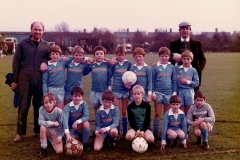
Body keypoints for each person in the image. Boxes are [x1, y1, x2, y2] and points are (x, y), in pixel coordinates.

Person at [11, 21, 50, 142]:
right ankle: (20, 133)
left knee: (39, 107)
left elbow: (54, 59)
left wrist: (46, 62)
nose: (37, 32)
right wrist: (15, 80)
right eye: (35, 29)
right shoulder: (22, 44)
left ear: (43, 31)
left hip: (40, 79)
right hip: (24, 78)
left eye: (40, 30)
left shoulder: (47, 45)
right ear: (31, 30)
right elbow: (16, 62)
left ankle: (38, 131)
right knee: (23, 106)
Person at [170, 21, 206, 92]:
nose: (185, 30)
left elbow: (203, 59)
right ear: (179, 31)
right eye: (183, 29)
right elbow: (168, 57)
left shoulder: (197, 44)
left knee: (193, 99)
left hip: (192, 77)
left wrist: (197, 70)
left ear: (190, 30)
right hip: (178, 76)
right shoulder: (173, 44)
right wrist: (173, 58)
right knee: (177, 100)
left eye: (187, 28)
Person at [152, 47, 177, 138]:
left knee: (167, 115)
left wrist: (174, 93)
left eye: (166, 56)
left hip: (168, 94)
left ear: (169, 57)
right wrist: (153, 93)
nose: (164, 58)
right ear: (159, 56)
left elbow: (174, 80)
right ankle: (155, 132)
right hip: (158, 93)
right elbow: (152, 81)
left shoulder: (172, 67)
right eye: (162, 56)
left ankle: (165, 132)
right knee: (157, 113)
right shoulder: (155, 67)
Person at [108, 45, 132, 138]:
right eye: (119, 55)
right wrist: (109, 89)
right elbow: (109, 76)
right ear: (116, 55)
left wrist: (129, 85)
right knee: (117, 112)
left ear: (125, 55)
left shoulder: (128, 63)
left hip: (125, 91)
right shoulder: (114, 64)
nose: (121, 57)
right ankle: (117, 132)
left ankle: (125, 132)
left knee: (124, 112)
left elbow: (131, 76)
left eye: (123, 55)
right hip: (116, 90)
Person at [42, 45, 71, 109]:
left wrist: (85, 59)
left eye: (57, 54)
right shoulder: (47, 66)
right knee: (51, 109)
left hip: (60, 89)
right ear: (50, 55)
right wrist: (45, 94)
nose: (55, 56)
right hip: (50, 89)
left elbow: (73, 58)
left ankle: (59, 119)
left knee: (60, 110)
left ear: (60, 55)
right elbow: (44, 81)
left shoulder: (62, 63)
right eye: (53, 54)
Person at [84, 46, 111, 114]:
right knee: (96, 110)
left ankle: (105, 123)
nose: (99, 55)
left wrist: (109, 60)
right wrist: (87, 60)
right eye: (97, 54)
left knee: (104, 109)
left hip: (104, 91)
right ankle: (97, 123)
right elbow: (84, 73)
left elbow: (113, 65)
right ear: (94, 55)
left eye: (101, 54)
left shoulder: (107, 64)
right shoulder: (92, 65)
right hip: (94, 91)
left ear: (104, 55)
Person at [62, 86, 90, 150]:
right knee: (70, 146)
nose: (77, 98)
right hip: (71, 129)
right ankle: (73, 137)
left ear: (82, 97)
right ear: (71, 97)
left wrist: (77, 121)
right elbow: (65, 120)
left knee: (86, 123)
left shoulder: (84, 104)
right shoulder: (67, 107)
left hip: (79, 126)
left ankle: (85, 143)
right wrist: (67, 134)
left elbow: (86, 116)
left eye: (79, 96)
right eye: (75, 96)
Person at [38, 93, 64, 158]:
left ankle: (51, 141)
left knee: (59, 151)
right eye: (46, 103)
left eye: (50, 102)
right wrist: (51, 123)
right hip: (48, 131)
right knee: (42, 128)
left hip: (56, 133)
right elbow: (40, 122)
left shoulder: (59, 111)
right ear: (43, 103)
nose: (48, 105)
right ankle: (44, 149)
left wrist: (60, 136)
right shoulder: (41, 109)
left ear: (54, 103)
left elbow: (62, 125)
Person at [176, 50, 199, 115]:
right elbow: (168, 66)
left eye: (188, 59)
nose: (186, 61)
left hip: (189, 92)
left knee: (188, 114)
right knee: (181, 113)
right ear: (182, 59)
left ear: (191, 60)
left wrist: (187, 82)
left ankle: (187, 125)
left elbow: (196, 83)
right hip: (180, 92)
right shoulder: (177, 68)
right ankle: (182, 125)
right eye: (184, 59)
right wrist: (157, 63)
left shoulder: (193, 70)